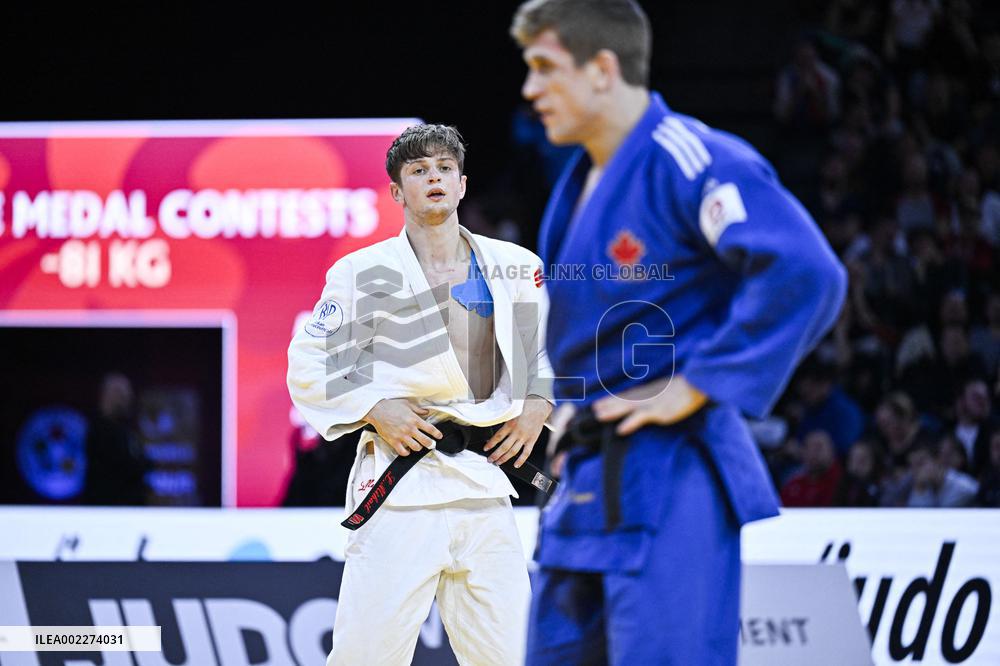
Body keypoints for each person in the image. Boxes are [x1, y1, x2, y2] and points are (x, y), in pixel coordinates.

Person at [510, 1, 847, 663]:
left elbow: (806, 272)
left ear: (602, 69)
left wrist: (701, 381)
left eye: (545, 68)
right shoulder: (573, 187)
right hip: (582, 482)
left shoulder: (689, 159)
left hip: (670, 473)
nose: (530, 90)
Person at [287, 124, 554, 665]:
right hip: (402, 486)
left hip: (484, 487)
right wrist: (373, 406)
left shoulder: (517, 266)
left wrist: (537, 406)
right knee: (366, 656)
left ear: (461, 185)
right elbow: (308, 363)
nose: (433, 177)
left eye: (444, 169)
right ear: (396, 191)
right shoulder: (362, 272)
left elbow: (550, 350)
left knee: (514, 656)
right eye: (418, 170)